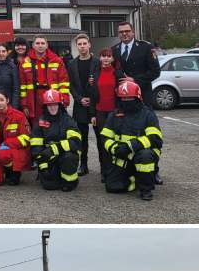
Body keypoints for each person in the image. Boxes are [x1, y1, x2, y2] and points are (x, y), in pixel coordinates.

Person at [111, 21, 163, 185]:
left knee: (148, 135)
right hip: (123, 101)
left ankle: (154, 172)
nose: (124, 34)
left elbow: (155, 72)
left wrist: (135, 80)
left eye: (127, 31)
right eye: (121, 32)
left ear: (133, 32)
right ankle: (126, 170)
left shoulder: (146, 48)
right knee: (125, 134)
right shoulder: (114, 50)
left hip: (143, 99)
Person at [99, 81, 161, 201]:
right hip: (122, 156)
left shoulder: (148, 114)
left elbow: (155, 138)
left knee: (145, 155)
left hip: (142, 154)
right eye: (123, 98)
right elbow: (105, 137)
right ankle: (136, 179)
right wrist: (115, 148)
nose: (126, 101)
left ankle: (146, 189)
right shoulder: (115, 115)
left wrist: (130, 146)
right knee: (113, 187)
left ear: (137, 98)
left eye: (129, 98)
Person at [29, 90, 82, 192]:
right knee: (50, 186)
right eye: (49, 105)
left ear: (59, 105)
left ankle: (70, 182)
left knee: (69, 157)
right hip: (48, 158)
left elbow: (75, 142)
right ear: (45, 106)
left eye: (55, 104)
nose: (52, 108)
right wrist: (43, 166)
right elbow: (36, 147)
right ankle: (53, 176)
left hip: (64, 156)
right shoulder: (41, 122)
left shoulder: (67, 120)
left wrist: (54, 149)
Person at [66, 33, 99, 176]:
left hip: (96, 104)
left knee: (101, 137)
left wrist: (92, 98)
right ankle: (83, 165)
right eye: (79, 44)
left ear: (89, 45)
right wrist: (79, 99)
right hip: (80, 105)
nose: (82, 46)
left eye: (85, 43)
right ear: (76, 46)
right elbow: (71, 85)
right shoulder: (72, 64)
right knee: (82, 138)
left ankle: (104, 167)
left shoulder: (97, 62)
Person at [0, 91, 31, 186]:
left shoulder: (19, 115)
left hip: (14, 151)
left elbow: (26, 138)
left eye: (2, 100)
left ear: (7, 100)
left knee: (4, 155)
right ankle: (3, 169)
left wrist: (7, 143)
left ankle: (14, 172)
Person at [19, 36, 70, 121]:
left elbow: (64, 82)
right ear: (33, 45)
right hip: (33, 100)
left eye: (43, 43)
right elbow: (23, 86)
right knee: (36, 127)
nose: (40, 45)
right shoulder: (25, 62)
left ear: (47, 45)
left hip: (53, 100)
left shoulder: (56, 60)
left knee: (53, 125)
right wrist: (24, 105)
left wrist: (64, 100)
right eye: (37, 43)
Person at [92, 48, 120, 178]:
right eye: (103, 56)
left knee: (115, 141)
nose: (106, 59)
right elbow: (91, 94)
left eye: (109, 56)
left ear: (112, 59)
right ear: (100, 58)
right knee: (102, 142)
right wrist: (93, 115)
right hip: (100, 113)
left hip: (115, 113)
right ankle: (104, 171)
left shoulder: (118, 74)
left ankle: (116, 169)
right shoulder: (95, 74)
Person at [0, 43, 21, 114]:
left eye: (3, 51)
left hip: (9, 105)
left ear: (7, 53)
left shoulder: (12, 67)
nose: (1, 54)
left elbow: (16, 88)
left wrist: (14, 107)